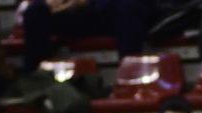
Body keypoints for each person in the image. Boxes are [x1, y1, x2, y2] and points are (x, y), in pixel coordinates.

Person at [18, 0, 156, 76]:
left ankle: (129, 76)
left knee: (129, 6)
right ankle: (34, 81)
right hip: (69, 13)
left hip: (109, 11)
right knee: (35, 11)